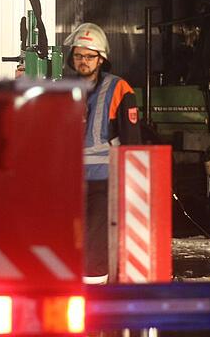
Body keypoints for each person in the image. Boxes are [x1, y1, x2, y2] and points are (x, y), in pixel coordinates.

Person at [64, 22, 142, 284]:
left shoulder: (119, 88)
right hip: (69, 180)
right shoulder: (62, 88)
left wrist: (132, 184)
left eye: (89, 56)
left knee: (95, 241)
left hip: (103, 180)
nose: (83, 61)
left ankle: (94, 297)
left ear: (101, 59)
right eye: (78, 55)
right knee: (69, 239)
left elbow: (132, 141)